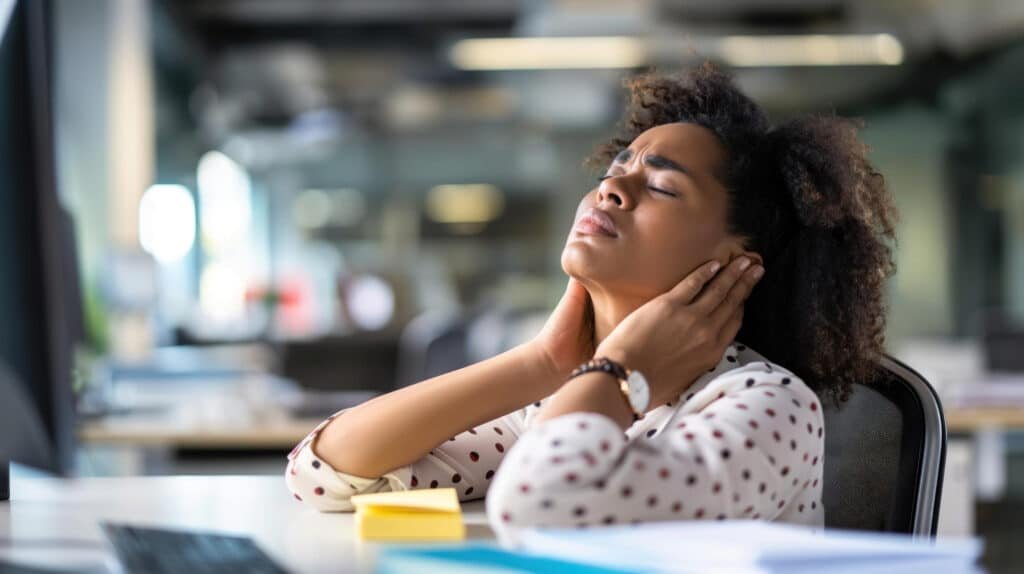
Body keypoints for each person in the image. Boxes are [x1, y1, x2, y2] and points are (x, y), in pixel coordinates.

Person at [284, 63, 897, 541]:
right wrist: (540, 365)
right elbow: (327, 474)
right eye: (615, 169)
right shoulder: (571, 396)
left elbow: (541, 505)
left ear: (737, 261)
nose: (611, 189)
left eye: (660, 185)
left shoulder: (771, 404)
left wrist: (619, 369)